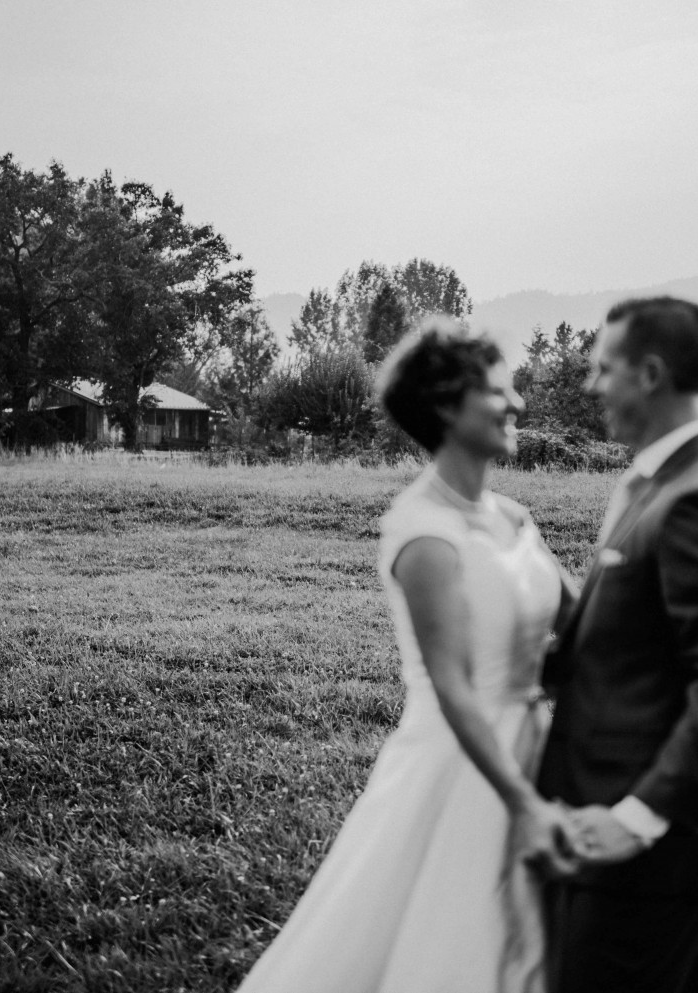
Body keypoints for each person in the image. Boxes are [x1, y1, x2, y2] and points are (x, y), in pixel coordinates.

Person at [236, 318, 577, 993]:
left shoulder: (513, 517)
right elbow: (452, 685)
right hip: (463, 762)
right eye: (498, 392)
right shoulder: (422, 532)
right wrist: (519, 799)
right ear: (449, 407)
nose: (517, 405)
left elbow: (585, 621)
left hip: (543, 744)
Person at [536, 297, 698, 992]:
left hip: (639, 850)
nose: (590, 385)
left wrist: (638, 818)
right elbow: (634, 634)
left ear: (652, 373)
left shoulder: (697, 497)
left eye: (604, 367)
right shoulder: (656, 477)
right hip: (600, 826)